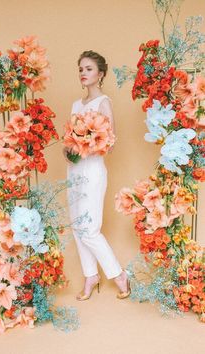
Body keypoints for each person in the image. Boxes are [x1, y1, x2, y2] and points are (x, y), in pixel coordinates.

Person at [64, 50, 130, 301]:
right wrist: (69, 149)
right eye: (81, 69)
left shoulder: (103, 102)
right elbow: (69, 137)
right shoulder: (76, 105)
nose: (83, 73)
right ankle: (90, 275)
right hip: (74, 168)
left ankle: (118, 274)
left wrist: (85, 144)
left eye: (88, 69)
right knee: (76, 226)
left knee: (90, 228)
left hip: (92, 169)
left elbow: (110, 142)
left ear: (100, 74)